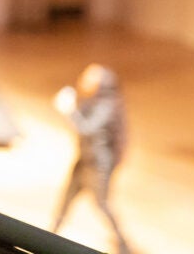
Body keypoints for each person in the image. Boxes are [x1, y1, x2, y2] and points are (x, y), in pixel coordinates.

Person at [52, 64, 131, 254]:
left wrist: (68, 109)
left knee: (102, 204)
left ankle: (123, 244)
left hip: (98, 165)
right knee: (66, 199)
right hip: (84, 160)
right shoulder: (94, 100)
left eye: (88, 78)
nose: (83, 81)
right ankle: (51, 234)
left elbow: (86, 128)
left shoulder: (107, 105)